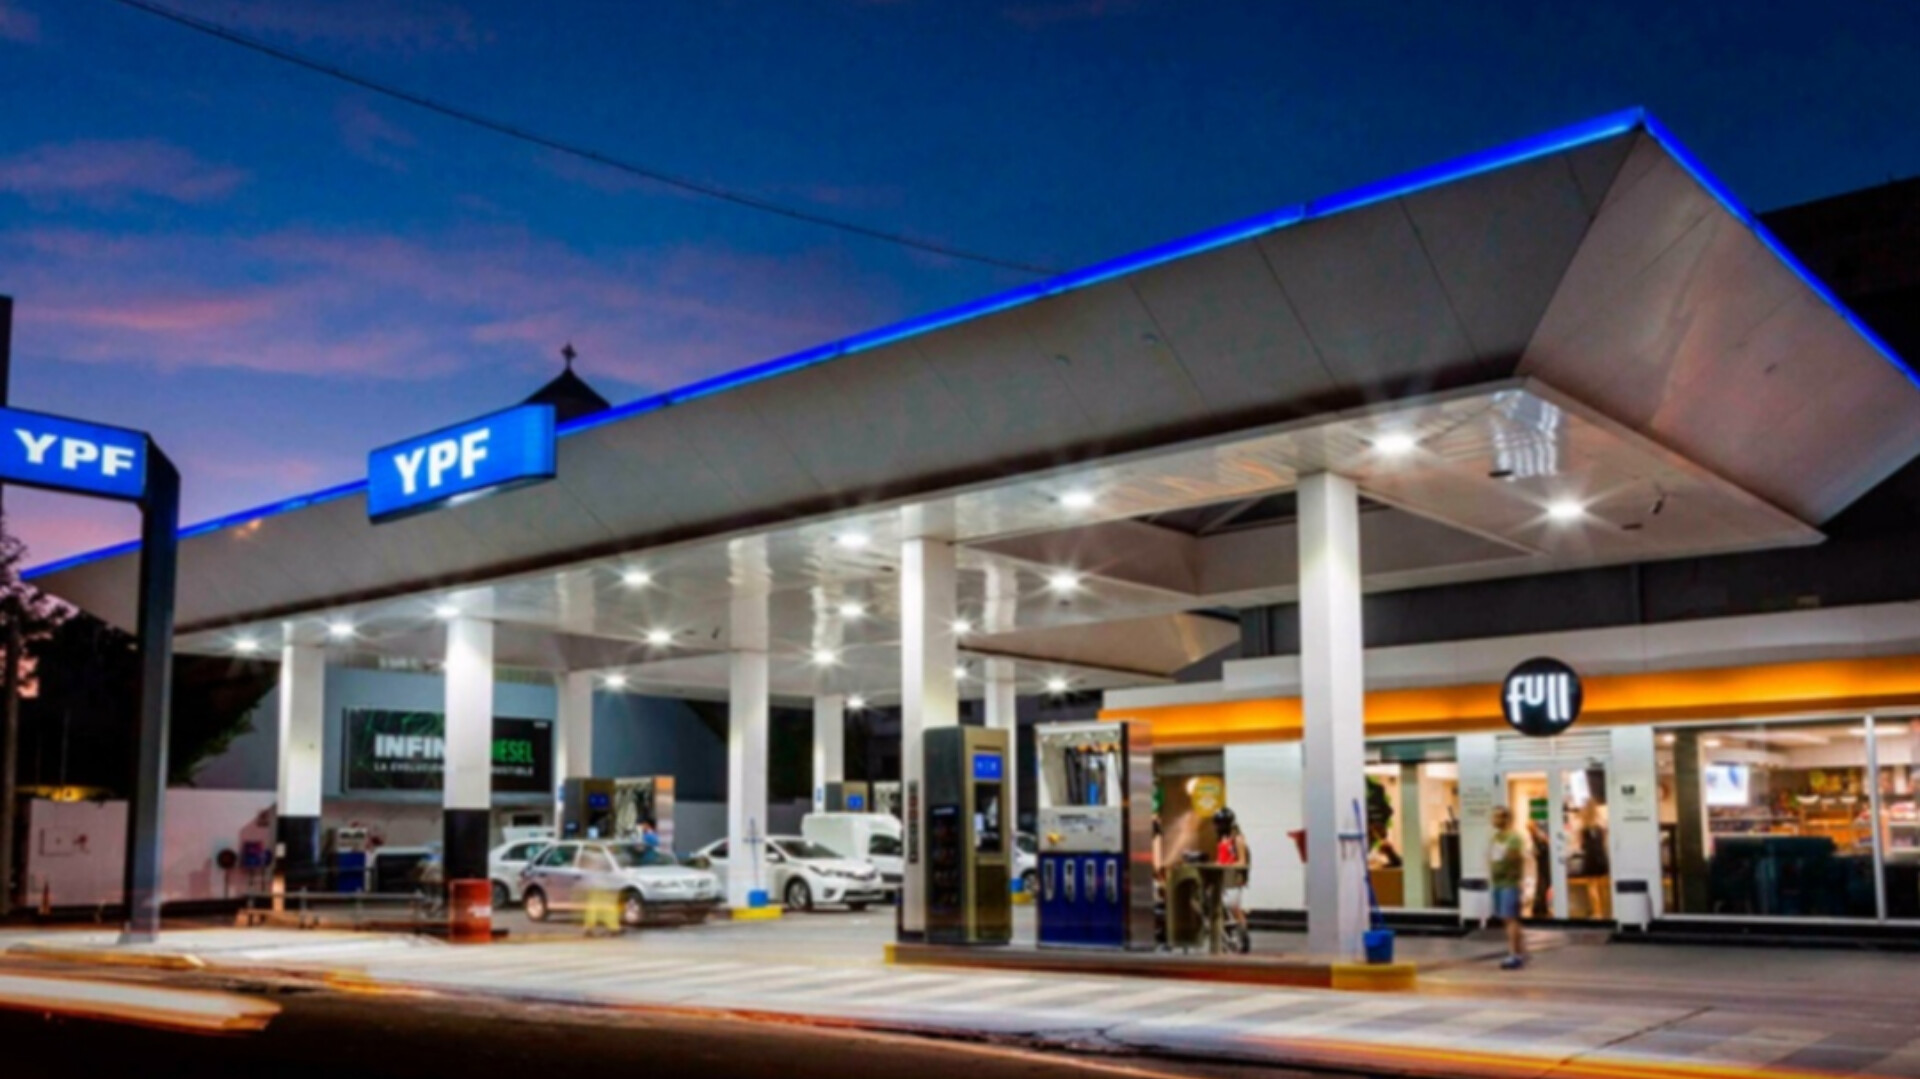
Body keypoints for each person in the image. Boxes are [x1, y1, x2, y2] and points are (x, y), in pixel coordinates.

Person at [1490, 807, 1528, 970]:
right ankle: (1520, 950)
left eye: (1497, 817)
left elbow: (1514, 860)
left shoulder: (1513, 839)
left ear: (1506, 819)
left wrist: (1514, 878)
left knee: (1510, 918)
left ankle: (1514, 954)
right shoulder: (1496, 837)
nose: (1493, 820)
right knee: (1508, 919)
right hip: (1498, 883)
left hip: (1509, 884)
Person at [1212, 808, 1250, 949]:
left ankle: (1244, 937)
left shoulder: (1237, 839)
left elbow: (1242, 861)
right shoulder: (1221, 839)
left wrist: (1226, 865)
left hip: (1232, 878)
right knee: (1221, 908)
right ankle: (1225, 937)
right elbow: (1221, 857)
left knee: (1233, 907)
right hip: (1221, 877)